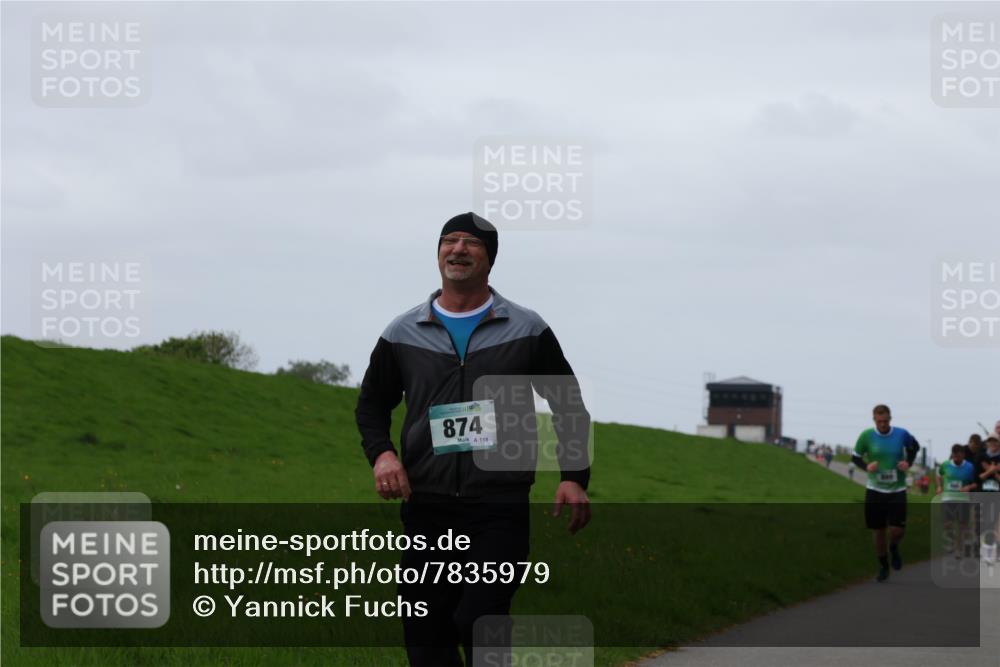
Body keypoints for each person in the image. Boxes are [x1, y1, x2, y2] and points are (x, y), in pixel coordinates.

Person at [355, 212, 592, 667]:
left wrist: (574, 476)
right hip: (427, 504)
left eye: (471, 242)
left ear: (490, 258)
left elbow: (567, 403)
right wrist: (383, 455)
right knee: (425, 629)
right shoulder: (402, 332)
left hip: (498, 505)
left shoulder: (526, 328)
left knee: (478, 617)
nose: (458, 249)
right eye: (449, 240)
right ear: (438, 253)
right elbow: (371, 405)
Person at [851, 404, 920, 582]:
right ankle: (883, 565)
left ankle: (894, 547)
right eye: (879, 421)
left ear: (890, 419)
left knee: (897, 530)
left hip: (897, 489)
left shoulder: (901, 434)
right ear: (874, 419)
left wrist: (908, 462)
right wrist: (866, 466)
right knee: (879, 530)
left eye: (886, 421)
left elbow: (915, 446)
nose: (883, 424)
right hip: (875, 490)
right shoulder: (866, 436)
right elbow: (855, 456)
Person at [937, 444, 978, 558]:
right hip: (948, 498)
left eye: (958, 457)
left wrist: (968, 488)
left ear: (963, 455)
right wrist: (939, 486)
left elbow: (976, 483)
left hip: (963, 499)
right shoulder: (946, 464)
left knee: (962, 526)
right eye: (954, 456)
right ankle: (951, 540)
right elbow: (939, 475)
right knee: (947, 524)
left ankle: (958, 549)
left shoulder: (970, 467)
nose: (956, 459)